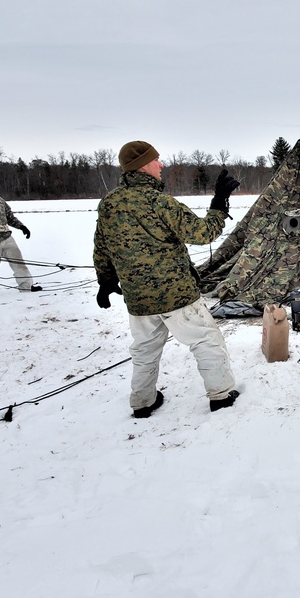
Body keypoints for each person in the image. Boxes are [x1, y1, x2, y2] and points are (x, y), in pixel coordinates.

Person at [94, 140, 241, 418]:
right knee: (206, 341)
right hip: (176, 295)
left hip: (138, 298)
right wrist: (219, 202)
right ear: (142, 165)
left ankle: (142, 402)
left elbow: (102, 245)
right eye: (156, 160)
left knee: (145, 350)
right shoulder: (160, 203)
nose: (161, 165)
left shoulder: (109, 203)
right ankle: (221, 395)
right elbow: (203, 233)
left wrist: (105, 279)